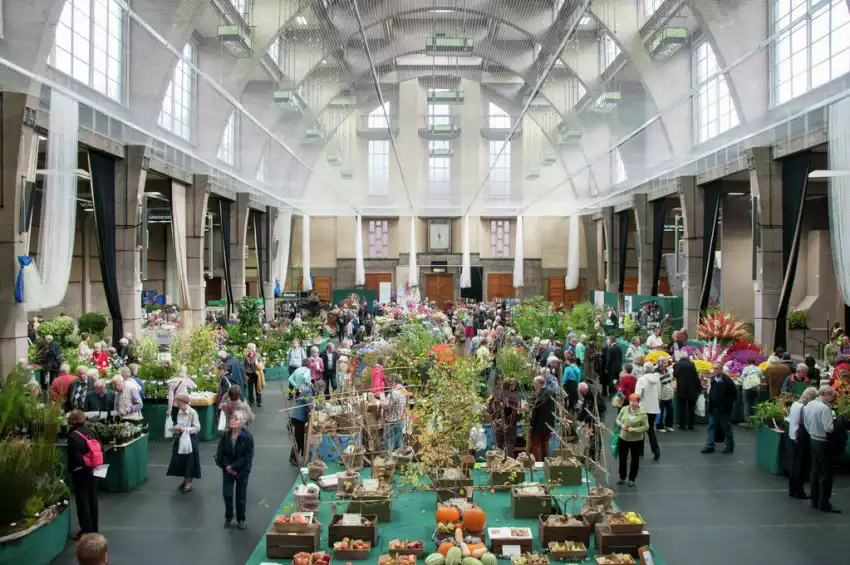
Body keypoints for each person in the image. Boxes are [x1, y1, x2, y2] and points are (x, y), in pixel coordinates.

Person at [803, 385, 841, 513]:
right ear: (826, 394)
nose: (832, 399)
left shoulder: (809, 404)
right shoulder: (824, 408)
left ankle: (814, 500)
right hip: (824, 442)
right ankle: (824, 503)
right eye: (832, 396)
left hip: (813, 439)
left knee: (815, 470)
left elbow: (806, 423)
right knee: (825, 473)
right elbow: (829, 428)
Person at [216, 412, 255, 529]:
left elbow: (248, 456)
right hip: (227, 470)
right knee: (227, 494)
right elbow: (220, 453)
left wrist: (234, 466)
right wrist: (226, 466)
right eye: (232, 419)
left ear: (241, 422)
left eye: (236, 419)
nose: (233, 421)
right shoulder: (225, 436)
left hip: (242, 471)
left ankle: (241, 519)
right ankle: (229, 516)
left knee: (241, 496)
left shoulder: (247, 437)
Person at [67, 409, 100, 540]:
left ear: (72, 421)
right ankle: (94, 529)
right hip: (95, 470)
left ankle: (85, 532)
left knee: (82, 501)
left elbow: (75, 456)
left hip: (80, 472)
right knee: (93, 499)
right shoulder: (92, 432)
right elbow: (101, 448)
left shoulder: (72, 436)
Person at [166, 392, 202, 494]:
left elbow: (197, 428)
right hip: (181, 438)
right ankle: (186, 480)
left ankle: (188, 483)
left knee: (189, 462)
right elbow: (179, 424)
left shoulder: (193, 412)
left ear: (183, 402)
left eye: (178, 402)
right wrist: (176, 429)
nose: (177, 404)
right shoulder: (179, 411)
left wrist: (185, 429)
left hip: (190, 440)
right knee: (181, 461)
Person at [701, 361, 738, 454]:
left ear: (721, 369)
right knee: (711, 427)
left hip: (723, 410)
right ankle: (710, 445)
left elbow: (734, 395)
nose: (714, 370)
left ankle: (730, 446)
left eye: (716, 368)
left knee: (726, 428)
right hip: (713, 408)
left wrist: (726, 405)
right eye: (713, 368)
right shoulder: (713, 379)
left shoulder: (727, 381)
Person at [787, 387, 817, 500]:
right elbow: (806, 422)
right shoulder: (804, 408)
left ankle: (792, 489)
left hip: (792, 436)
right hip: (801, 437)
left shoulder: (795, 404)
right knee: (801, 465)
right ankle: (799, 491)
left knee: (794, 464)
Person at [615, 393, 649, 487]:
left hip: (636, 440)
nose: (632, 403)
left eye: (634, 401)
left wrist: (634, 429)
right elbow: (617, 419)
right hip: (623, 438)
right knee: (622, 458)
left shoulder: (642, 414)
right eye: (631, 401)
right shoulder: (624, 409)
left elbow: (646, 427)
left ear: (638, 402)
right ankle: (622, 477)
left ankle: (632, 479)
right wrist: (621, 425)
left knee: (635, 459)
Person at [635, 362, 662, 460]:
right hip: (653, 408)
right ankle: (656, 450)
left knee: (640, 429)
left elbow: (637, 395)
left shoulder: (641, 380)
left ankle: (639, 451)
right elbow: (659, 393)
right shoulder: (657, 380)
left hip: (643, 408)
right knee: (651, 429)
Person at [489, 378, 519, 457]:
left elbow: (489, 408)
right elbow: (515, 413)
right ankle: (509, 465)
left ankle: (497, 464)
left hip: (497, 424)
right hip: (510, 424)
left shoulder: (495, 395)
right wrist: (506, 421)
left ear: (502, 385)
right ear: (511, 386)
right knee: (509, 445)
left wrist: (495, 419)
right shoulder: (514, 397)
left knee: (498, 445)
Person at [529, 375, 556, 460]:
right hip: (549, 423)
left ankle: (538, 463)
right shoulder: (552, 393)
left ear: (539, 383)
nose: (533, 385)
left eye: (534, 383)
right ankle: (546, 461)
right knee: (546, 443)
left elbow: (534, 412)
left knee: (536, 444)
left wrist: (531, 423)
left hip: (537, 424)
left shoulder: (536, 395)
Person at [674, 353, 701, 430]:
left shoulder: (677, 364)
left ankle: (682, 424)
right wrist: (699, 388)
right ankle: (691, 424)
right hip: (692, 389)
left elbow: (675, 375)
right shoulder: (692, 364)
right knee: (691, 407)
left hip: (681, 389)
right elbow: (696, 377)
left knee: (681, 407)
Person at [289, 376, 313, 466]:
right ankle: (293, 457)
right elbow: (311, 403)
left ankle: (298, 455)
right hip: (298, 417)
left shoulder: (307, 389)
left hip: (298, 416)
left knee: (299, 437)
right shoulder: (307, 391)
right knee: (298, 438)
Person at [382, 374, 407, 452]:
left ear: (394, 382)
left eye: (388, 382)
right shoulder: (403, 390)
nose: (387, 384)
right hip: (399, 419)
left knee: (388, 444)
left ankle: (388, 461)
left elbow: (386, 406)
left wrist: (381, 403)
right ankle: (401, 460)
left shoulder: (395, 392)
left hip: (392, 421)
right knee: (399, 444)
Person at [657, 357, 675, 433]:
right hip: (661, 395)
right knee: (660, 411)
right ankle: (659, 426)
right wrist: (658, 397)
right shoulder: (656, 372)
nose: (666, 364)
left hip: (669, 394)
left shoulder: (668, 371)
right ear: (660, 363)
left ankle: (668, 425)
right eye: (664, 363)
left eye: (667, 363)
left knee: (670, 410)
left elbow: (671, 381)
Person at [242, 343, 263, 407]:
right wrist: (245, 374)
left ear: (253, 349)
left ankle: (259, 401)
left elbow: (261, 363)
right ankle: (251, 401)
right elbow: (244, 365)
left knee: (258, 388)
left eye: (250, 348)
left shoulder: (258, 355)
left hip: (256, 374)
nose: (248, 349)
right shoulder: (246, 356)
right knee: (250, 389)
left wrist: (259, 369)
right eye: (248, 348)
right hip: (249, 374)